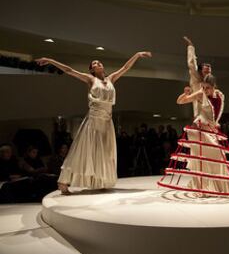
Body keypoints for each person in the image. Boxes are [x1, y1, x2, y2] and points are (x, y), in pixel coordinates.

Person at [36, 51, 151, 194]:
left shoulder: (111, 79)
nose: (98, 63)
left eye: (98, 62)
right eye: (94, 63)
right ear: (91, 69)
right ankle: (63, 181)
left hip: (107, 121)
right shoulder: (90, 79)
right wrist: (50, 59)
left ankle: (100, 180)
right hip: (94, 120)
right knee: (84, 150)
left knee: (104, 153)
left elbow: (125, 68)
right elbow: (69, 70)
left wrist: (137, 55)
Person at [158, 74, 229, 196]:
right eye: (204, 87)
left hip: (211, 130)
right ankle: (202, 187)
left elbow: (216, 113)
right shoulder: (200, 94)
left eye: (208, 87)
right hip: (199, 130)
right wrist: (185, 93)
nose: (205, 90)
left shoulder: (220, 95)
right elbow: (180, 101)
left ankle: (216, 187)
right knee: (209, 156)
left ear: (214, 86)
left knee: (217, 158)